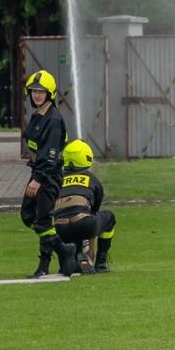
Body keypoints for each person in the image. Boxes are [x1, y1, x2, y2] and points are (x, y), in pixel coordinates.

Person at [21, 68, 74, 278]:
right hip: (39, 172)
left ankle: (46, 264)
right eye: (34, 91)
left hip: (48, 176)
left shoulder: (52, 120)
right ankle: (63, 250)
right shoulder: (37, 116)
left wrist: (38, 179)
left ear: (50, 93)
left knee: (42, 220)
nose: (37, 95)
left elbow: (50, 156)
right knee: (28, 215)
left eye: (41, 91)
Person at [51, 139, 117, 275]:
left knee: (71, 227)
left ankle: (68, 260)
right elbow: (93, 212)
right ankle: (101, 263)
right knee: (109, 218)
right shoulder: (92, 179)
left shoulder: (57, 179)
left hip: (60, 228)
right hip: (83, 223)